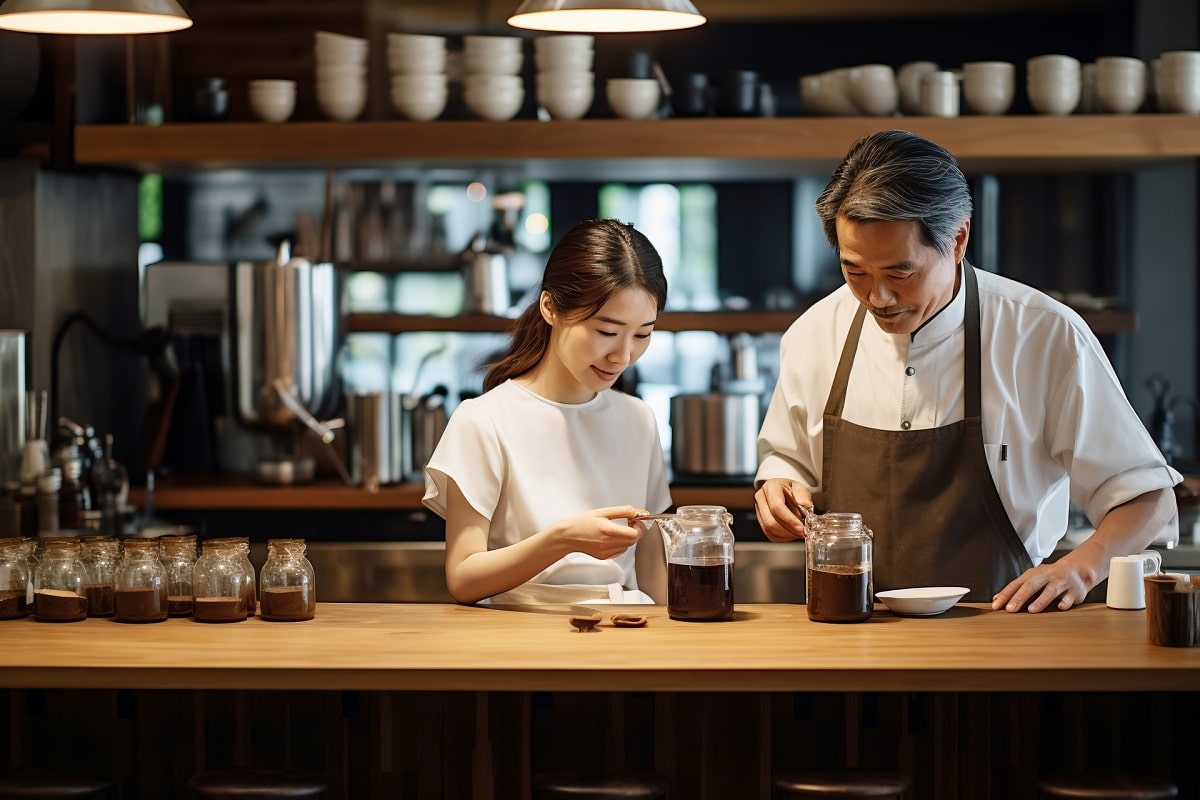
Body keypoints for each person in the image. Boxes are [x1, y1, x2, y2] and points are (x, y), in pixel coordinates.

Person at [755, 129, 1181, 613]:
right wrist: (778, 488)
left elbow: (1148, 498)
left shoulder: (1044, 335)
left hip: (1005, 633)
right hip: (848, 628)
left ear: (958, 239)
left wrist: (1081, 567)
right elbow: (787, 463)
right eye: (855, 272)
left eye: (899, 272)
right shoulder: (813, 334)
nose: (879, 297)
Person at [423, 218, 672, 605]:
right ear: (550, 308)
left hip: (624, 635)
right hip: (517, 638)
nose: (623, 356)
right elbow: (463, 577)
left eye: (642, 335)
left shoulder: (638, 419)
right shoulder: (483, 420)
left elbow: (650, 567)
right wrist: (562, 540)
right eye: (606, 332)